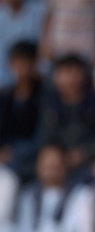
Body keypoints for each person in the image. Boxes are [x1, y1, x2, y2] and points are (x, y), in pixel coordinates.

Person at [0, 41, 44, 181]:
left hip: (28, 159)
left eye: (26, 63)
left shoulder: (44, 96)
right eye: (16, 63)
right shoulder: (5, 96)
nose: (21, 69)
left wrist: (14, 152)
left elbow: (42, 136)